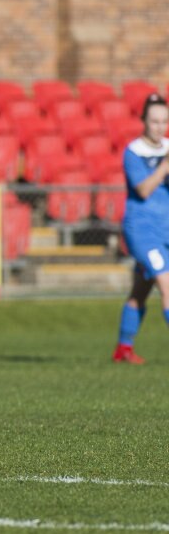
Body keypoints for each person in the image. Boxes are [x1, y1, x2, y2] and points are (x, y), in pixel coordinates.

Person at [113, 93, 169, 364]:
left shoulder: (167, 147)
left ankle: (123, 349)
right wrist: (165, 166)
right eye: (154, 121)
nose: (159, 127)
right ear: (143, 121)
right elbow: (144, 190)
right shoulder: (134, 152)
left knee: (140, 291)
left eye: (164, 122)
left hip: (165, 230)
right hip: (142, 231)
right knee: (168, 285)